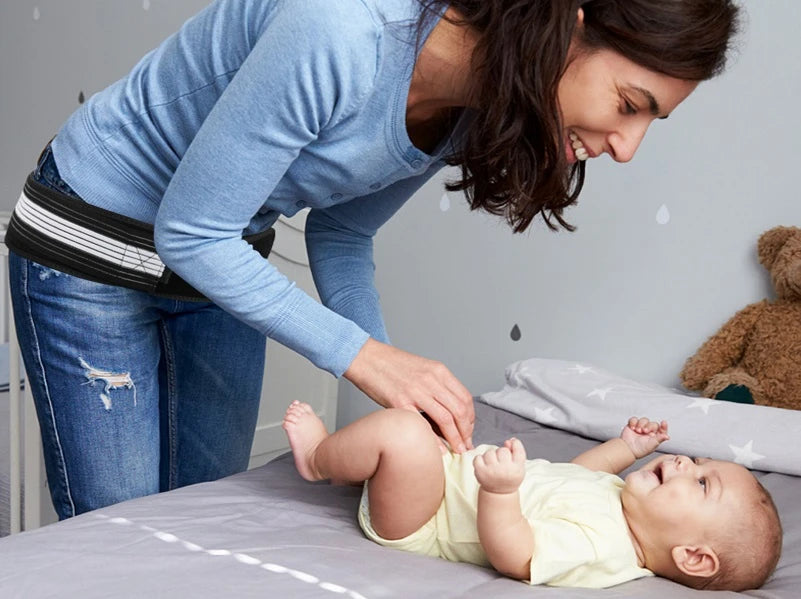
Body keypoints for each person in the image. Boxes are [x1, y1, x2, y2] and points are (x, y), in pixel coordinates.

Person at [6, 0, 740, 520]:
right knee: (121, 538)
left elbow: (340, 235)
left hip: (219, 264)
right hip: (91, 244)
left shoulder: (476, 99)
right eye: (629, 103)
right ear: (571, 24)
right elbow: (193, 231)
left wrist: (395, 381)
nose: (627, 146)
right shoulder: (342, 28)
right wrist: (366, 358)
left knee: (206, 513)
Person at [283, 401, 782, 590]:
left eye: (700, 482)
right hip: (445, 479)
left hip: (423, 521)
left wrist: (500, 492)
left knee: (403, 431)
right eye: (697, 460)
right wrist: (625, 447)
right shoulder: (623, 504)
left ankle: (318, 458)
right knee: (423, 422)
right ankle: (360, 470)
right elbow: (578, 474)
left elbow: (517, 556)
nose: (682, 462)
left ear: (693, 556)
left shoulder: (604, 550)